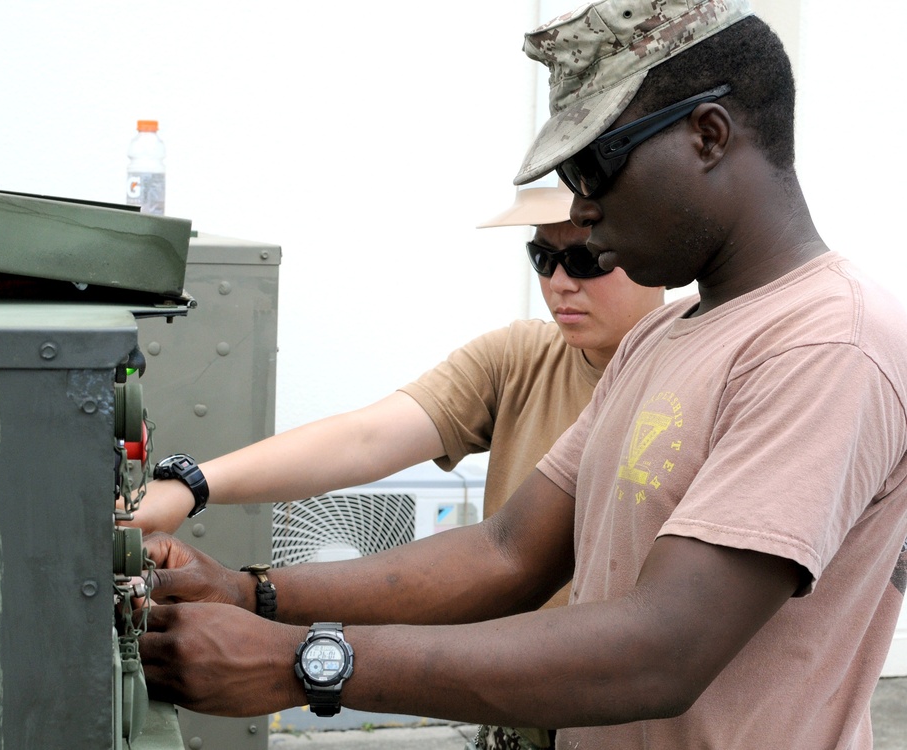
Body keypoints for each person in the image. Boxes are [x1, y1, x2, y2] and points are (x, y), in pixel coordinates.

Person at [138, 1, 907, 747]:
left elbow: (663, 649)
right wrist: (252, 594)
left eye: (594, 165)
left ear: (709, 134)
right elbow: (508, 552)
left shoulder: (826, 344)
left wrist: (305, 664)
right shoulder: (665, 337)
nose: (582, 206)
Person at [132, 181, 663, 750]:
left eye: (585, 257)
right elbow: (366, 438)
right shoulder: (523, 359)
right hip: (519, 720)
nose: (560, 282)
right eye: (543, 257)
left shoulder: (692, 383)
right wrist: (191, 484)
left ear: (651, 249)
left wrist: (265, 618)